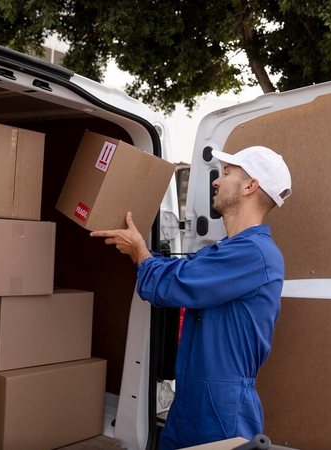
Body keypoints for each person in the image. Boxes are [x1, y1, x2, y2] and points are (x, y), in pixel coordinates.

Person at [90, 145, 292, 449]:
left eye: (226, 173)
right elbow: (183, 270)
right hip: (194, 399)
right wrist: (144, 253)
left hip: (221, 407)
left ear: (250, 186)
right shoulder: (229, 250)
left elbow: (174, 284)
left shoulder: (254, 254)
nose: (216, 180)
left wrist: (138, 252)